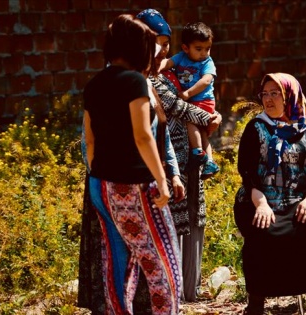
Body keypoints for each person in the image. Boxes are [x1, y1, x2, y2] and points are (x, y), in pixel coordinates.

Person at [81, 14, 181, 314]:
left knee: (118, 262)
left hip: (101, 185)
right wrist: (161, 179)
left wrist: (100, 175)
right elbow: (142, 136)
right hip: (136, 186)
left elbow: (90, 139)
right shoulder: (135, 82)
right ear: (137, 48)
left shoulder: (94, 84)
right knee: (163, 262)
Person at [233, 73, 306, 315]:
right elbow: (247, 171)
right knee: (261, 232)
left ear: (290, 96)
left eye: (275, 94)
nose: (268, 100)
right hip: (260, 198)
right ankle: (256, 302)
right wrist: (260, 203)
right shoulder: (257, 127)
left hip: (299, 200)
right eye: (265, 94)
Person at [137, 8, 222, 301]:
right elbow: (178, 107)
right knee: (168, 223)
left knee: (192, 219)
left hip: (189, 156)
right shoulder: (145, 78)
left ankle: (188, 289)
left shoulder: (173, 71)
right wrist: (209, 117)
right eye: (155, 41)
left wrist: (210, 117)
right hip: (160, 163)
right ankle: (167, 292)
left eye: (164, 42)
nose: (162, 49)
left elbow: (198, 97)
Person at [159, 21, 220, 179]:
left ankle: (198, 152)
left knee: (190, 121)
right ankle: (209, 162)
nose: (204, 53)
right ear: (186, 48)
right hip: (191, 102)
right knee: (201, 132)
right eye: (199, 49)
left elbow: (206, 81)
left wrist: (188, 94)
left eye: (207, 48)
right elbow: (168, 62)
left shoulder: (207, 62)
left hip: (203, 100)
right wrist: (157, 68)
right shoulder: (181, 57)